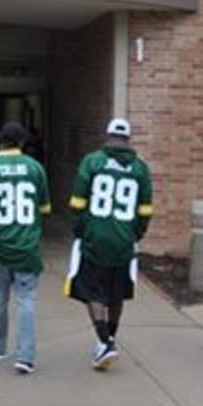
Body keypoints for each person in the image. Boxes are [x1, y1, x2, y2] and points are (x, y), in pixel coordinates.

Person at [64, 117, 154, 371]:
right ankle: (109, 339)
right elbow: (145, 209)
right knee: (116, 294)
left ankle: (104, 341)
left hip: (95, 237)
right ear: (128, 140)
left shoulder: (92, 162)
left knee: (93, 291)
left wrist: (80, 230)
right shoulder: (140, 169)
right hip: (124, 240)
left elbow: (78, 203)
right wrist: (136, 234)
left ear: (107, 136)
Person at [0, 121, 52, 375]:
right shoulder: (36, 168)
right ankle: (25, 357)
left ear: (0, 141)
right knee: (26, 300)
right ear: (22, 143)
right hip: (27, 247)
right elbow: (45, 209)